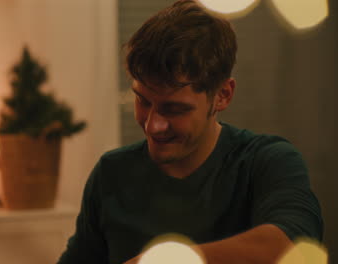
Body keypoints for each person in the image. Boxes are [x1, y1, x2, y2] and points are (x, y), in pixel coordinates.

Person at [57, 0, 323, 263]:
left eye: (173, 109)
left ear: (222, 95)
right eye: (143, 101)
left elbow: (292, 247)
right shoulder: (111, 174)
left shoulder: (267, 162)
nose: (152, 125)